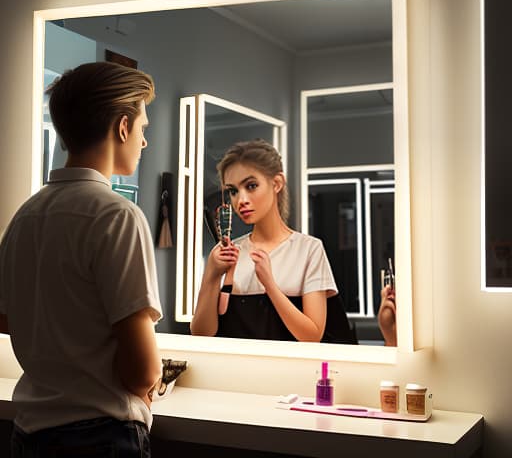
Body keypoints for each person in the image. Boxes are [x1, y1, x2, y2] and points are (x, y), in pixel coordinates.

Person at [0, 61, 163, 457]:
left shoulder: (25, 215)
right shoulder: (117, 215)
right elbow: (143, 370)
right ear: (122, 127)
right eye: (142, 128)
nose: (143, 142)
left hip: (30, 433)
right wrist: (146, 387)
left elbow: (6, 318)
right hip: (100, 437)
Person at [190, 138, 356, 343]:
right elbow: (201, 334)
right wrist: (212, 275)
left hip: (290, 373)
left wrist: (269, 284)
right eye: (233, 191)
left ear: (276, 183)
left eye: (251, 186)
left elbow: (312, 336)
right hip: (234, 372)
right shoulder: (228, 253)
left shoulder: (308, 250)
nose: (241, 200)